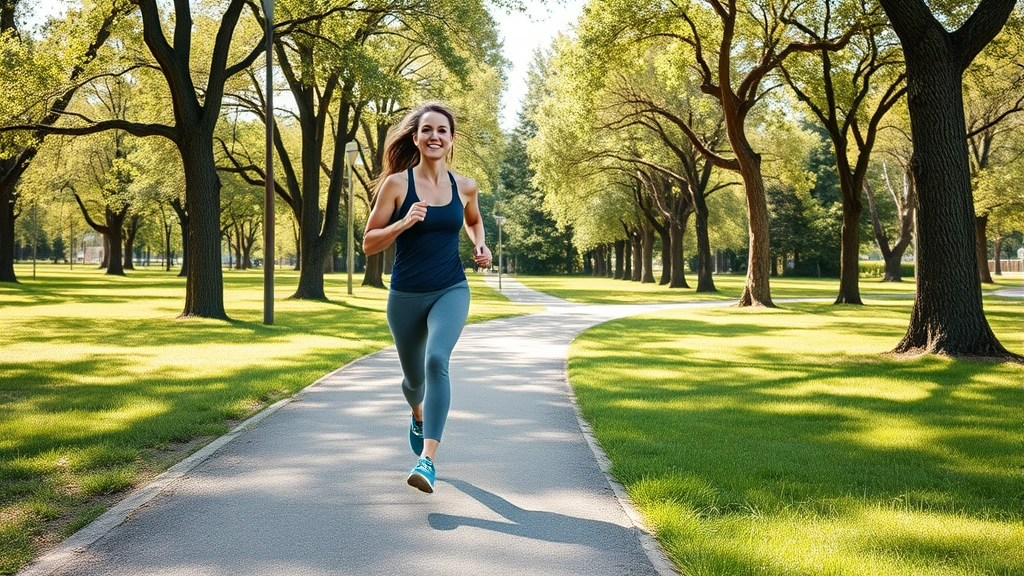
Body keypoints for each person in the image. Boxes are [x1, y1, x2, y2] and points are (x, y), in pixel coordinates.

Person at [362, 102, 492, 494]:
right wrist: (403, 222)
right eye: (427, 130)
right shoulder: (397, 185)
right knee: (413, 381)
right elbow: (369, 243)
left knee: (437, 360)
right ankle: (417, 414)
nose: (435, 136)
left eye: (442, 131)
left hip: (450, 288)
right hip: (405, 294)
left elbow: (472, 219)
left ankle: (428, 460)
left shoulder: (464, 185)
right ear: (416, 138)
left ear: (451, 140)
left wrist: (480, 245)